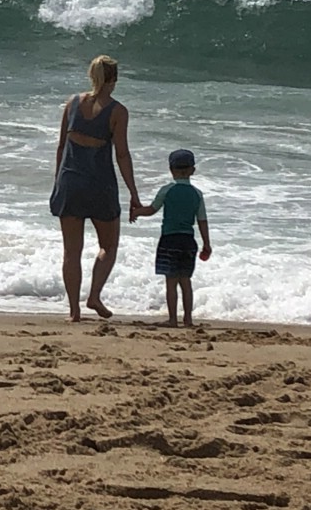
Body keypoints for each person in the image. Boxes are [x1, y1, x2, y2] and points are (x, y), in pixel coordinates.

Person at [50, 54, 142, 322]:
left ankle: (74, 311)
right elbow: (122, 155)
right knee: (109, 246)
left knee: (71, 252)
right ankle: (94, 295)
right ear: (114, 79)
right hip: (100, 186)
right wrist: (134, 194)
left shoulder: (72, 104)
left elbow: (61, 147)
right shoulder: (117, 112)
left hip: (70, 183)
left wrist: (58, 182)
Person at [134, 148, 211, 327]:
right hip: (188, 241)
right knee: (185, 281)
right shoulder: (197, 194)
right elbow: (202, 220)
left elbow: (152, 209)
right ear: (192, 170)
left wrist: (136, 212)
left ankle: (172, 319)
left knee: (171, 281)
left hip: (169, 239)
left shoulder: (167, 190)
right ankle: (188, 319)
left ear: (171, 170)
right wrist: (206, 244)